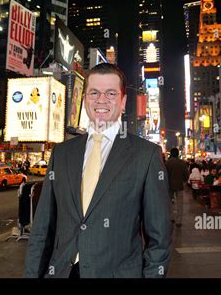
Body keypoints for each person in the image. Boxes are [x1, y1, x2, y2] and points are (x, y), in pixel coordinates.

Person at [25, 63, 172, 278]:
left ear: (123, 101)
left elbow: (159, 238)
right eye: (94, 92)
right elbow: (42, 228)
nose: (101, 100)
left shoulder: (146, 155)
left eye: (111, 93)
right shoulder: (62, 153)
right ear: (85, 99)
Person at [165, 148, 188, 228]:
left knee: (169, 202)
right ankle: (179, 221)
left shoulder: (167, 163)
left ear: (171, 153)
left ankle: (171, 217)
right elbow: (186, 174)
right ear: (178, 154)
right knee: (180, 203)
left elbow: (165, 175)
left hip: (169, 185)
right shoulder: (182, 163)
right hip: (179, 185)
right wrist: (184, 180)